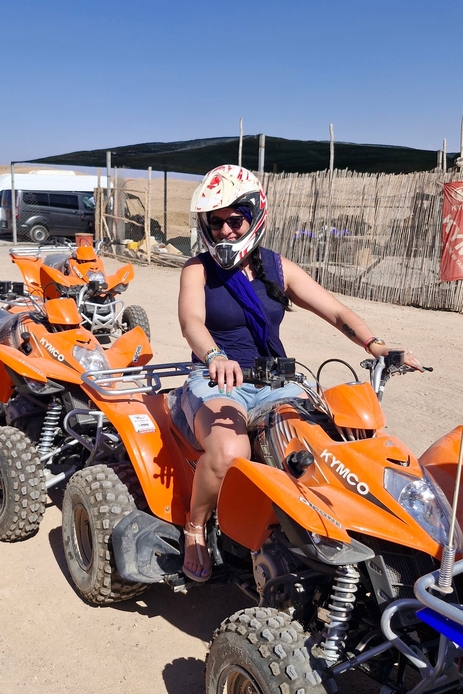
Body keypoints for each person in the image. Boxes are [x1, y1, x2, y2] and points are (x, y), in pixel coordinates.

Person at [178, 164, 422, 582]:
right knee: (229, 452)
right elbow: (192, 323)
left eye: (234, 220)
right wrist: (215, 355)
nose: (224, 232)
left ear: (254, 217)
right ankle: (195, 526)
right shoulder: (197, 270)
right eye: (215, 223)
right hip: (217, 381)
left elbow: (336, 310)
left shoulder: (278, 268)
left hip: (275, 381)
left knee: (334, 444)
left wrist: (375, 345)